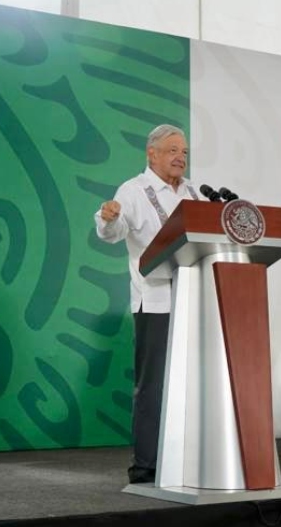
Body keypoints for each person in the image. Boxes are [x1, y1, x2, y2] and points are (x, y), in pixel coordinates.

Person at [94, 124, 200, 484]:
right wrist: (107, 218)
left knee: (193, 383)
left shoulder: (194, 192)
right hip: (156, 302)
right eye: (172, 150)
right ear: (151, 154)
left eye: (183, 151)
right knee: (154, 386)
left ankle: (189, 459)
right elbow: (115, 229)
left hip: (196, 303)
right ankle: (146, 465)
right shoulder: (134, 190)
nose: (180, 157)